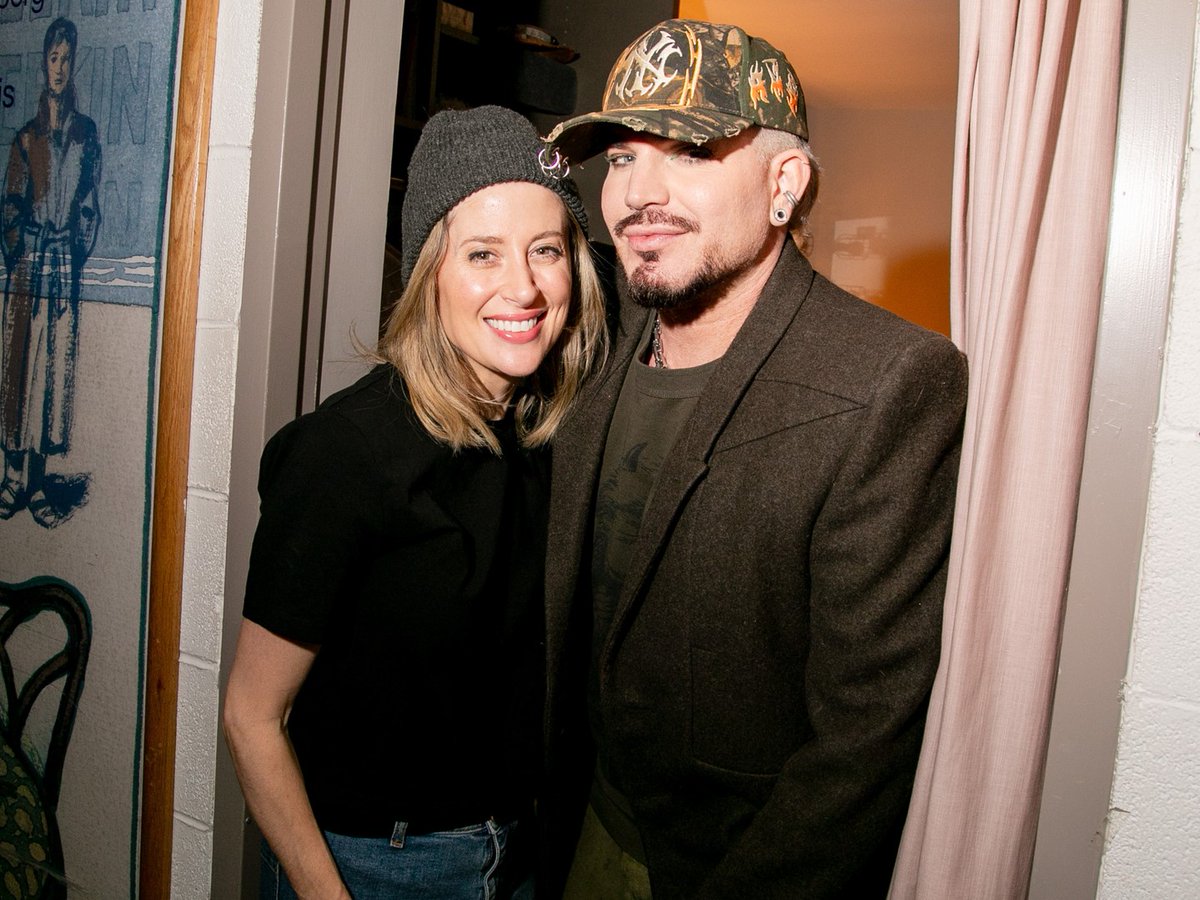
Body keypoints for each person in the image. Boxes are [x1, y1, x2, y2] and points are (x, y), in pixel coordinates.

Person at [538, 19, 970, 899]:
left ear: (784, 183)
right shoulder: (597, 340)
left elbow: (864, 737)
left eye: (689, 151)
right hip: (584, 825)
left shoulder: (891, 380)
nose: (636, 194)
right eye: (620, 157)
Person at [222, 105, 608, 900]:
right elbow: (251, 719)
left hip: (520, 848)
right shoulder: (346, 455)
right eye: (482, 254)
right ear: (431, 272)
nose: (524, 287)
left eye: (546, 250)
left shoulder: (543, 430)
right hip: (378, 865)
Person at [0, 16, 101, 528]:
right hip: (26, 269)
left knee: (51, 373)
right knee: (18, 367)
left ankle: (36, 479)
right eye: (52, 57)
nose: (59, 67)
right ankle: (12, 475)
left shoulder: (85, 134)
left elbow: (88, 207)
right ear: (44, 62)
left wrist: (72, 251)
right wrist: (23, 249)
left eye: (67, 56)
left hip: (62, 267)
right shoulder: (25, 137)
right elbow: (10, 207)